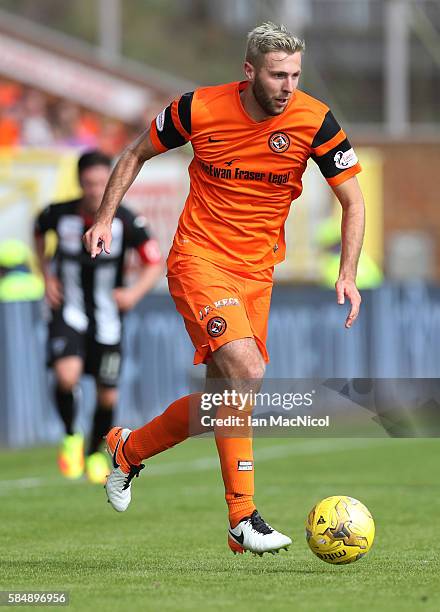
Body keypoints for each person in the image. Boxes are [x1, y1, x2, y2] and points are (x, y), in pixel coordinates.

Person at [83, 22, 365, 555]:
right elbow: (133, 155)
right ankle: (244, 518)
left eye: (295, 74)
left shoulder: (314, 119)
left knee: (223, 404)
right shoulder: (199, 108)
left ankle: (127, 449)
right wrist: (104, 219)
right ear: (249, 72)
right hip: (199, 259)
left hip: (257, 275)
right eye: (278, 75)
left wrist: (347, 273)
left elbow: (354, 200)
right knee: (248, 371)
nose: (288, 85)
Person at [35, 150, 162, 484]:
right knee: (67, 376)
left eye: (100, 183)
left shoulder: (127, 221)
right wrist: (46, 275)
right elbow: (38, 231)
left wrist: (133, 293)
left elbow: (153, 260)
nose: (94, 190)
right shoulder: (59, 215)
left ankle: (93, 451)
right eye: (88, 183)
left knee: (108, 395)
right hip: (70, 312)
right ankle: (70, 438)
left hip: (108, 320)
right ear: (79, 182)